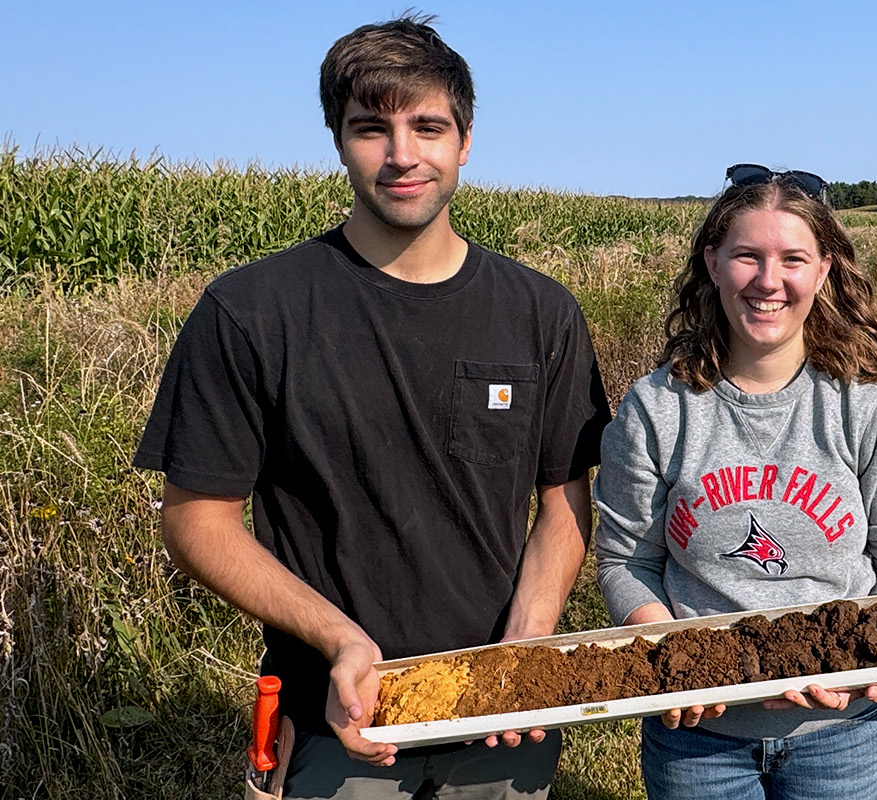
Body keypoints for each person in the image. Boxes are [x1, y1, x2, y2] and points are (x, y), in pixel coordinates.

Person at [132, 15, 610, 799]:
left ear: (464, 140)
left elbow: (562, 500)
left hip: (497, 722)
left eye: (427, 126)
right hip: (332, 721)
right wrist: (340, 640)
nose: (401, 155)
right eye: (370, 128)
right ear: (337, 139)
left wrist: (523, 648)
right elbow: (197, 522)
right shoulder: (252, 311)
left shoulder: (541, 312)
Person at [593, 165, 877, 800]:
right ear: (713, 263)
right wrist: (681, 660)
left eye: (793, 259)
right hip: (699, 732)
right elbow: (625, 561)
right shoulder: (657, 408)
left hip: (839, 733)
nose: (768, 281)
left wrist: (856, 658)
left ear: (824, 270)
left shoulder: (868, 408)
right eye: (747, 256)